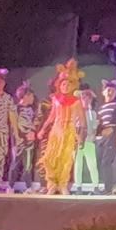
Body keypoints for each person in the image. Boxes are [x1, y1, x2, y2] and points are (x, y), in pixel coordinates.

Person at [38, 60, 87, 195]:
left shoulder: (76, 102)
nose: (66, 86)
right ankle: (51, 184)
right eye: (63, 84)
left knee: (66, 159)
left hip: (69, 131)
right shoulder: (55, 99)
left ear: (73, 86)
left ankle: (63, 184)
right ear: (59, 85)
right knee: (50, 158)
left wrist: (81, 136)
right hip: (56, 131)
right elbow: (51, 117)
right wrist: (42, 130)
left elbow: (82, 121)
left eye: (68, 84)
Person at [8, 82, 40, 192]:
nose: (33, 98)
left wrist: (33, 132)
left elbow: (34, 123)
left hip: (29, 142)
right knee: (15, 164)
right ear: (25, 96)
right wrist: (20, 137)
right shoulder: (15, 109)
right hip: (19, 141)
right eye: (31, 96)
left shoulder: (33, 109)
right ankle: (10, 186)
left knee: (28, 165)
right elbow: (14, 126)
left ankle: (29, 187)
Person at [96, 80, 116, 194]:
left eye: (112, 90)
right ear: (103, 92)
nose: (110, 92)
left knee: (107, 161)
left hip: (113, 135)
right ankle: (107, 185)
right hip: (103, 137)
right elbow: (99, 124)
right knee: (101, 160)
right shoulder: (101, 109)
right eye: (108, 90)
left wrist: (115, 133)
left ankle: (109, 188)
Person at [73, 89, 101, 194]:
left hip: (88, 141)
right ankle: (78, 187)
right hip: (77, 141)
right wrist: (77, 137)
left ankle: (95, 186)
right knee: (78, 164)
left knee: (92, 164)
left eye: (88, 98)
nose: (85, 100)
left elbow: (94, 128)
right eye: (83, 98)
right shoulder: (76, 112)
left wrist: (91, 134)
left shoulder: (92, 113)